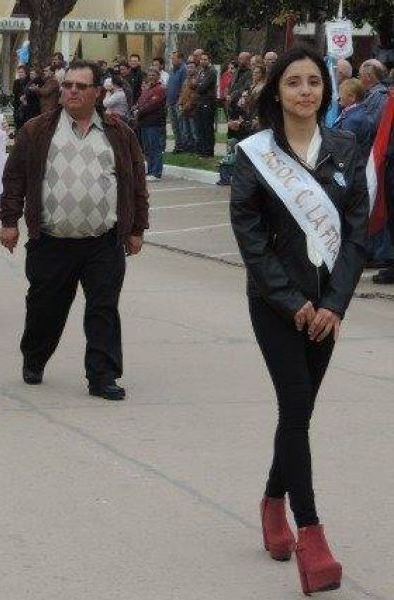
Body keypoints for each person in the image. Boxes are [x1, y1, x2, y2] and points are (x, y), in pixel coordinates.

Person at [230, 45, 367, 596]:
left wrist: (334, 304)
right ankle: (310, 533)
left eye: (314, 81)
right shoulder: (254, 154)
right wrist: (294, 302)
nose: (306, 90)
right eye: (294, 82)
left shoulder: (345, 147)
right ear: (277, 92)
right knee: (295, 405)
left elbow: (356, 231)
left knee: (300, 410)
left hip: (326, 308)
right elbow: (251, 236)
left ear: (325, 92)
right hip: (275, 303)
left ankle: (271, 501)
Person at [0, 59, 149, 400]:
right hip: (51, 242)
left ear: (97, 92)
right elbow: (14, 178)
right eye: (68, 85)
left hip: (103, 243)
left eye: (81, 86)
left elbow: (136, 184)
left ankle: (103, 376)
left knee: (103, 310)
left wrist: (137, 227)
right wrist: (9, 222)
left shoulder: (119, 133)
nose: (73, 91)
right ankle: (34, 358)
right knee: (44, 311)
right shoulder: (37, 130)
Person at [134, 66, 167, 180]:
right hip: (144, 122)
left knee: (155, 147)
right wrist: (136, 108)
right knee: (147, 148)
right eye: (150, 75)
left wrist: (139, 110)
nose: (151, 76)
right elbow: (140, 101)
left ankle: (156, 172)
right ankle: (150, 170)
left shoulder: (160, 89)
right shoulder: (147, 89)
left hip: (154, 122)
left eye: (154, 74)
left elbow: (153, 104)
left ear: (158, 76)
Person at [333, 78, 374, 164]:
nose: (338, 98)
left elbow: (343, 146)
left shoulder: (354, 120)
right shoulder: (360, 112)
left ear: (352, 97)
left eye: (341, 94)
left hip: (351, 165)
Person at [195, 52, 218, 157]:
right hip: (200, 101)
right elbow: (196, 84)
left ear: (209, 60)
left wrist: (198, 84)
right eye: (201, 59)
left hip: (208, 102)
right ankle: (201, 149)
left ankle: (209, 151)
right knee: (200, 127)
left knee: (207, 127)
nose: (203, 61)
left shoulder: (212, 71)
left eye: (205, 59)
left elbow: (202, 86)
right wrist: (198, 84)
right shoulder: (200, 71)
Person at [177, 58, 200, 153]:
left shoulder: (197, 80)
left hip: (192, 110)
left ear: (195, 68)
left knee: (193, 130)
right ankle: (188, 146)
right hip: (184, 109)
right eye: (188, 67)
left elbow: (195, 96)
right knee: (186, 130)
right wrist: (180, 104)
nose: (189, 69)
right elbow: (182, 93)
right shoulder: (186, 80)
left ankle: (196, 148)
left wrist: (187, 106)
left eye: (191, 67)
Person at [358, 59, 388, 126]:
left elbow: (371, 124)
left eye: (360, 76)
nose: (359, 79)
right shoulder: (376, 93)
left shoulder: (380, 95)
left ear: (368, 77)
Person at [166, 51, 186, 147]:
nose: (172, 60)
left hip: (178, 102)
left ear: (180, 59)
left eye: (174, 58)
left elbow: (184, 87)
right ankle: (177, 143)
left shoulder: (183, 70)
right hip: (171, 102)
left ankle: (182, 144)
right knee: (174, 125)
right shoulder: (172, 70)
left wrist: (180, 101)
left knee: (180, 125)